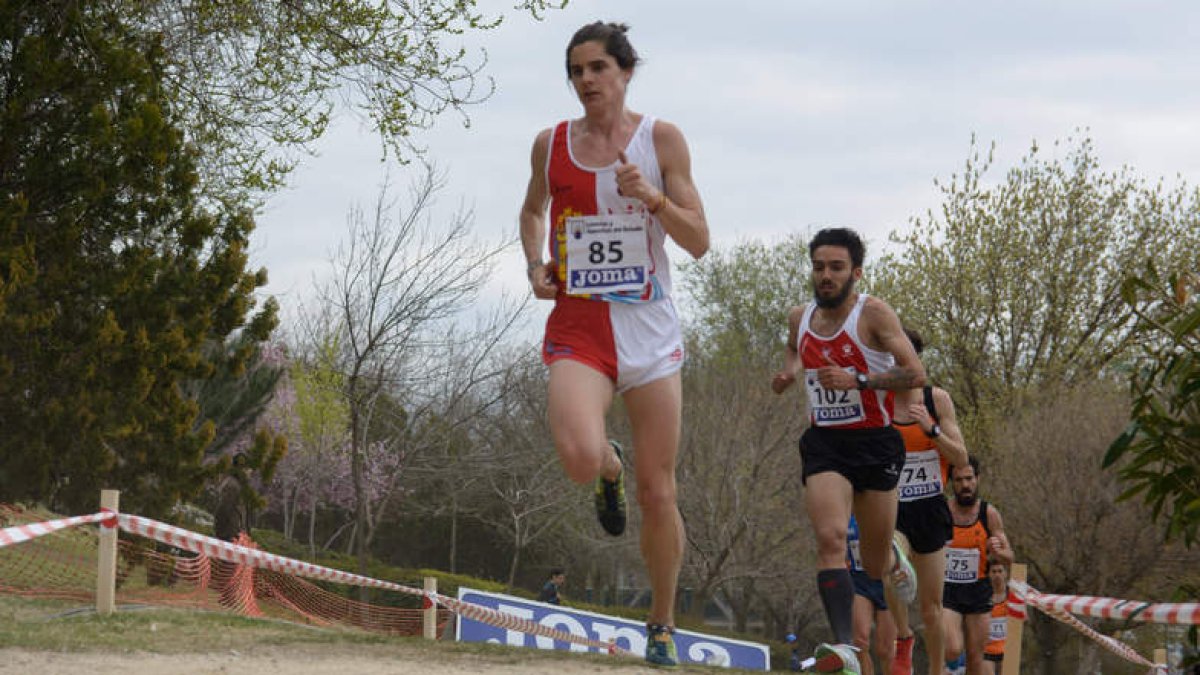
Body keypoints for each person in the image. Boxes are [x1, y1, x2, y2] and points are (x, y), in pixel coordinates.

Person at [518, 20, 709, 668]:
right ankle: (607, 467)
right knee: (576, 453)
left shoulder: (661, 139)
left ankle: (661, 621)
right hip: (580, 324)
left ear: (625, 72)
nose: (585, 81)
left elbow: (699, 239)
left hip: (649, 332)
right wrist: (532, 263)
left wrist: (652, 197)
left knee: (660, 493)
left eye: (597, 68)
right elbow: (531, 210)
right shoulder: (551, 144)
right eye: (575, 71)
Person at [772, 227, 927, 675]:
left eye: (836, 267)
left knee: (874, 565)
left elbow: (914, 373)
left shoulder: (874, 315)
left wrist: (859, 381)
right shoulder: (798, 317)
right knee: (831, 539)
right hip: (825, 444)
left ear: (855, 272)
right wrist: (788, 373)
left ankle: (894, 555)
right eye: (819, 266)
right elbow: (792, 349)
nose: (826, 275)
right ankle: (843, 649)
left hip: (875, 443)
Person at [884, 329, 969, 675]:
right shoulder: (879, 402)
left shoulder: (938, 400)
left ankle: (936, 670)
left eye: (902, 359)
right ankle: (903, 638)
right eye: (889, 359)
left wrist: (932, 430)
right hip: (892, 506)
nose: (895, 366)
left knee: (932, 609)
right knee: (892, 565)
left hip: (930, 508)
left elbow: (961, 457)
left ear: (915, 361)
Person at [942, 457, 1013, 675]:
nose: (965, 485)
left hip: (979, 592)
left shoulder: (989, 514)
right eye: (959, 480)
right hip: (948, 591)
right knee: (953, 648)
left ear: (977, 479)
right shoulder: (943, 511)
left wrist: (998, 552)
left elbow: (1010, 556)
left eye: (969, 479)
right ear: (952, 482)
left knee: (976, 658)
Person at [849, 515, 898, 675]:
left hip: (887, 584)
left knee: (886, 650)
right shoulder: (845, 514)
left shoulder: (887, 507)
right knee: (859, 641)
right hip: (859, 583)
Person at [981, 558, 1010, 674]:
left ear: (1005, 574)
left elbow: (1022, 620)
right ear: (989, 574)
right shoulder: (982, 596)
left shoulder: (1013, 595)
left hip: (1007, 648)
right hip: (987, 649)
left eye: (1000, 571)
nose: (997, 575)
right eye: (994, 572)